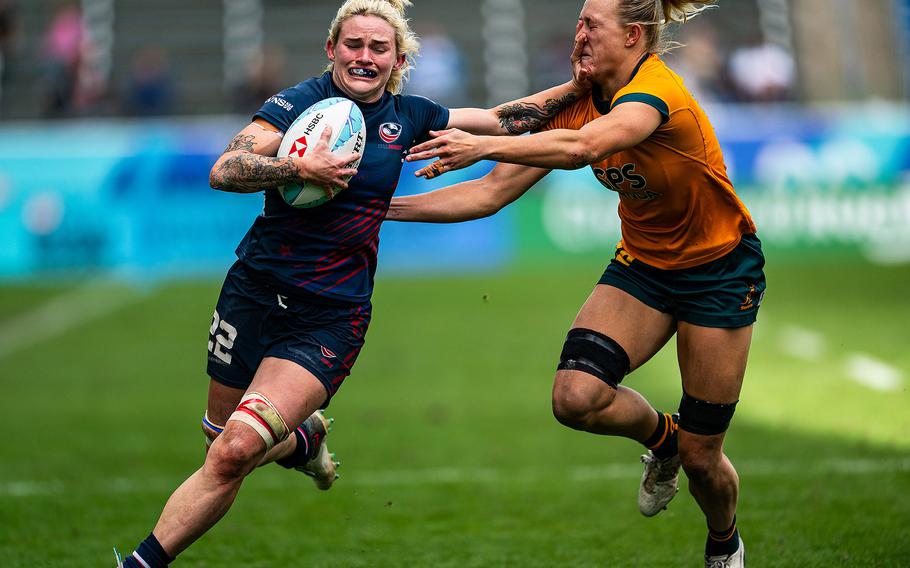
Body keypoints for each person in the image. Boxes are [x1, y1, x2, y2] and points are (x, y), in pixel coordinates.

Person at [113, 1, 589, 566]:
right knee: (220, 440)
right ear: (332, 50)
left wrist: (583, 85)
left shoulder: (412, 114)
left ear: (398, 59)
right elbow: (226, 169)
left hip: (330, 315)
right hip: (253, 291)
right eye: (354, 45)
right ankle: (303, 442)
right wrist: (298, 168)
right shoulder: (297, 105)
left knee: (235, 450)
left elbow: (505, 118)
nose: (364, 57)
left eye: (378, 48)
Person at [389, 1, 761, 566]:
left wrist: (482, 144)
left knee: (704, 458)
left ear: (633, 35)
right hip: (645, 267)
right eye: (579, 21)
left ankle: (723, 542)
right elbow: (487, 183)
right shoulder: (576, 99)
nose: (578, 33)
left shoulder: (656, 91)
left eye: (593, 25)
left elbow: (584, 147)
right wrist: (378, 208)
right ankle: (663, 441)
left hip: (719, 273)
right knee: (576, 398)